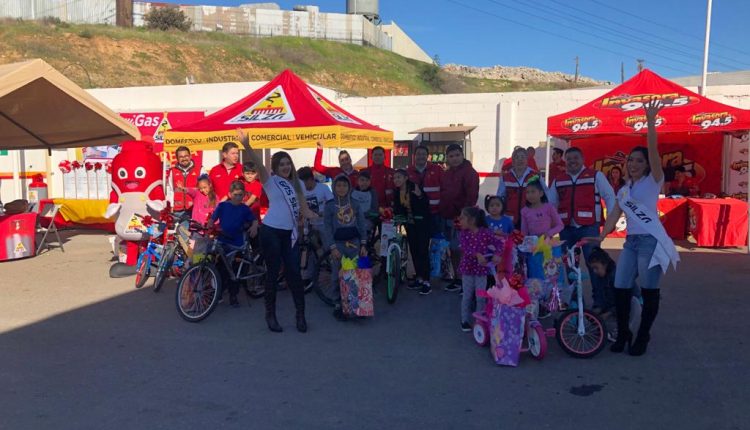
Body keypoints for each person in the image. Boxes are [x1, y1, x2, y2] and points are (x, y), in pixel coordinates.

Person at [593, 100, 679, 356]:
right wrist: (600, 237)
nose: (633, 164)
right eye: (630, 160)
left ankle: (643, 335)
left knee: (650, 291)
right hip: (630, 243)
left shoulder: (653, 181)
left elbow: (653, 150)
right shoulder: (624, 190)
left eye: (639, 161)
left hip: (650, 243)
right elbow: (614, 215)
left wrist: (650, 122)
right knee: (620, 287)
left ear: (647, 164)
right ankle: (624, 333)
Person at [237, 130, 318, 333]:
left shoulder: (298, 184)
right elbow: (258, 163)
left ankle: (300, 316)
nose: (286, 167)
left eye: (288, 163)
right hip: (271, 232)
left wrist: (319, 217)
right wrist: (247, 145)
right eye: (282, 164)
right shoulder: (270, 181)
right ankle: (270, 316)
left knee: (294, 275)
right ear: (275, 167)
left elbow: (304, 209)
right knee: (272, 274)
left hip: (289, 235)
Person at [547, 146, 616, 313]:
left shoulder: (596, 176)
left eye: (575, 158)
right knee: (570, 267)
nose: (572, 162)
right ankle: (575, 303)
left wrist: (610, 221)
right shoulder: (558, 180)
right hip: (566, 229)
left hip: (589, 228)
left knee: (595, 265)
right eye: (569, 159)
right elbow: (551, 204)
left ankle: (600, 302)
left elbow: (610, 197)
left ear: (583, 159)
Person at [322, 176, 368, 320]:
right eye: (338, 185)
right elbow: (327, 228)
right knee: (337, 274)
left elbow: (361, 224)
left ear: (349, 187)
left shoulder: (355, 203)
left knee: (356, 274)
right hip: (338, 245)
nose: (341, 188)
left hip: (354, 243)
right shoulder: (330, 206)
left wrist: (364, 244)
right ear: (334, 187)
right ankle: (338, 303)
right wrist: (332, 247)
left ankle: (357, 305)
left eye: (344, 185)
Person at [207, 181, 259, 307]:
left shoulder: (244, 208)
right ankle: (218, 293)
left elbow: (254, 220)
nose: (238, 198)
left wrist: (254, 226)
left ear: (244, 195)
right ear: (230, 194)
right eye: (235, 195)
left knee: (235, 272)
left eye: (241, 195)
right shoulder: (223, 206)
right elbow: (213, 218)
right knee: (220, 269)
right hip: (223, 241)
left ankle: (233, 296)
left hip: (237, 243)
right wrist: (210, 223)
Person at [439, 144, 480, 292]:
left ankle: (466, 281)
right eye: (451, 156)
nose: (454, 158)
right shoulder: (446, 174)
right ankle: (457, 278)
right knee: (453, 249)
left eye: (457, 155)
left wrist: (464, 217)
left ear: (462, 155)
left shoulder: (470, 173)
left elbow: (472, 196)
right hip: (447, 216)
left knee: (463, 250)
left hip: (463, 219)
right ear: (447, 158)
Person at [457, 207, 502, 332]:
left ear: (472, 220)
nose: (460, 220)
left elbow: (499, 243)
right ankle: (464, 320)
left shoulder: (486, 232)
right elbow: (465, 248)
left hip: (481, 270)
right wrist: (477, 254)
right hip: (468, 269)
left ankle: (479, 321)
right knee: (467, 295)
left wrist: (497, 254)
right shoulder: (463, 234)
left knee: (481, 296)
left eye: (462, 217)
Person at [392, 169, 432, 295]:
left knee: (423, 251)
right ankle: (419, 278)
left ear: (405, 178)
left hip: (422, 224)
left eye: (399, 177)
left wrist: (420, 196)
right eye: (394, 178)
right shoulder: (396, 191)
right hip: (409, 225)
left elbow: (425, 204)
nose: (396, 180)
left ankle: (427, 281)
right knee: (414, 251)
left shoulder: (415, 187)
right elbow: (398, 209)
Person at [298, 166, 334, 290]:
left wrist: (323, 213)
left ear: (310, 180)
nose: (303, 186)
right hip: (310, 225)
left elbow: (332, 205)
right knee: (309, 251)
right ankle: (309, 276)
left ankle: (334, 272)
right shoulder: (301, 192)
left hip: (324, 224)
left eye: (304, 183)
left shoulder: (323, 188)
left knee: (329, 249)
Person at [497, 146, 545, 228]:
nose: (520, 160)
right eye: (517, 157)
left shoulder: (535, 176)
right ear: (513, 161)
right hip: (510, 219)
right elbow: (500, 197)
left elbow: (545, 196)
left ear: (527, 160)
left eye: (523, 157)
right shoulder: (505, 177)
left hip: (531, 219)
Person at [407, 145, 443, 220]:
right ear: (414, 156)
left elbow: (444, 189)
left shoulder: (437, 170)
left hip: (434, 212)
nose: (421, 156)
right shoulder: (408, 171)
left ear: (428, 156)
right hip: (415, 212)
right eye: (418, 154)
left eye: (423, 154)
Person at [169, 146, 200, 220]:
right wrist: (171, 205)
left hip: (194, 209)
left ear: (190, 156)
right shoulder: (172, 171)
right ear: (177, 159)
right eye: (181, 157)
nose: (184, 159)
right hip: (178, 211)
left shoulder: (200, 169)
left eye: (186, 156)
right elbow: (170, 190)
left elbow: (205, 190)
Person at [350, 170, 379, 238]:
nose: (364, 182)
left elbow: (375, 211)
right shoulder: (352, 191)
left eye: (367, 180)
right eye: (362, 180)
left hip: (367, 219)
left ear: (370, 182)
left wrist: (362, 215)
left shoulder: (373, 193)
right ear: (358, 181)